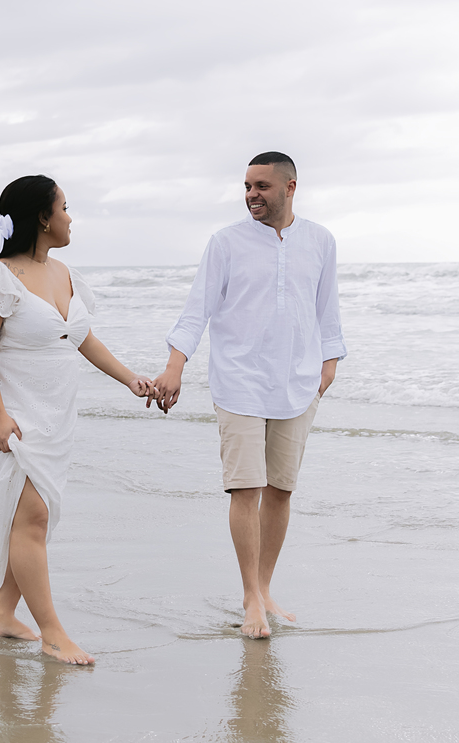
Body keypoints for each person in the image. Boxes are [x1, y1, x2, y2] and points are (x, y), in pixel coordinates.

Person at [149, 152, 346, 639]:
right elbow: (197, 309)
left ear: (290, 187)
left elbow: (328, 310)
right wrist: (175, 366)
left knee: (281, 491)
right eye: (246, 186)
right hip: (238, 381)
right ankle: (250, 599)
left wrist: (330, 365)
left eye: (261, 186)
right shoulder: (226, 243)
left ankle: (264, 587)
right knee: (246, 487)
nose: (251, 195)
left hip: (298, 384)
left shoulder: (320, 241)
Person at [0, 175, 153, 665]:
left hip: (56, 416)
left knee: (31, 518)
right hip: (14, 414)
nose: (71, 217)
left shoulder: (64, 272)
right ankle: (52, 632)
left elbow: (80, 337)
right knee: (33, 517)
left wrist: (129, 378)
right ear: (44, 218)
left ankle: (4, 616)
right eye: (65, 207)